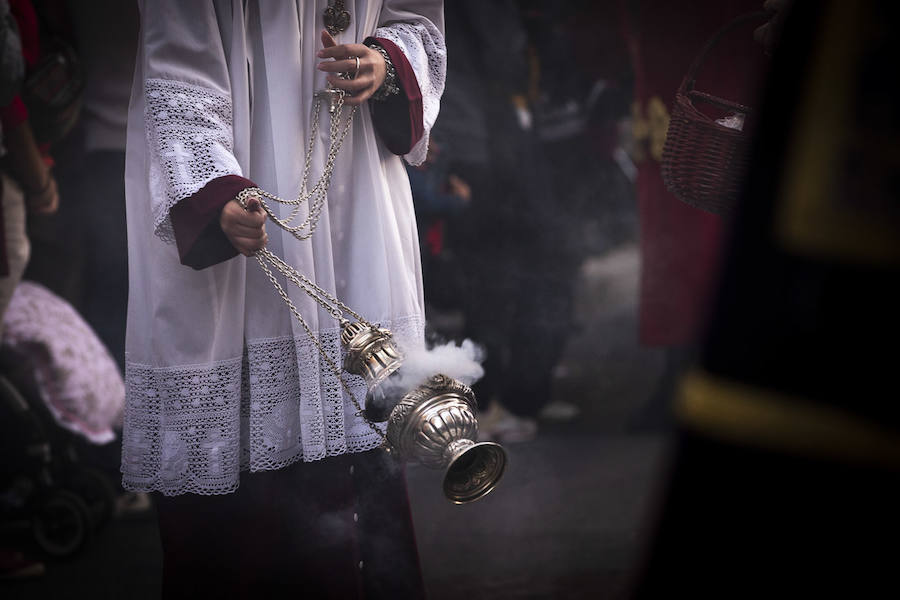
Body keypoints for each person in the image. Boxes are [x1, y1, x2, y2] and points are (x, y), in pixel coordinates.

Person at [122, 1, 445, 597]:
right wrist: (212, 192)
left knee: (363, 432)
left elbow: (416, 18)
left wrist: (387, 59)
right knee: (250, 509)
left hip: (356, 187)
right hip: (240, 181)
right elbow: (179, 75)